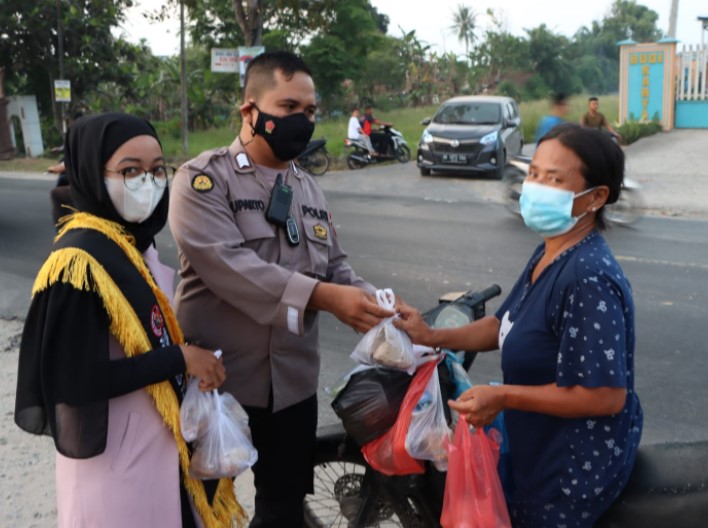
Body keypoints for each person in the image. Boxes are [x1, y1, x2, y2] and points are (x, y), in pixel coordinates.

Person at [168, 51, 394, 528]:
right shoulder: (203, 180)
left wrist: (382, 306)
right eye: (289, 107)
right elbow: (227, 263)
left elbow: (336, 267)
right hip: (217, 384)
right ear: (250, 110)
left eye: (310, 111)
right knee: (195, 507)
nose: (302, 121)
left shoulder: (308, 189)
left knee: (283, 507)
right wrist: (322, 298)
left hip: (291, 386)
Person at [395, 123, 643, 527]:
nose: (536, 186)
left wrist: (505, 397)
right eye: (534, 174)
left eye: (554, 179)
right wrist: (431, 334)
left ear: (596, 197)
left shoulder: (588, 278)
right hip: (535, 444)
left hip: (569, 467)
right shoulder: (552, 250)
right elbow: (503, 324)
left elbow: (605, 397)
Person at [14, 112, 245, 528]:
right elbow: (74, 381)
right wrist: (179, 359)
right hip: (116, 476)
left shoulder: (127, 243)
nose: (148, 182)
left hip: (156, 454)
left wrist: (187, 358)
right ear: (90, 173)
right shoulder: (78, 262)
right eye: (130, 171)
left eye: (158, 170)